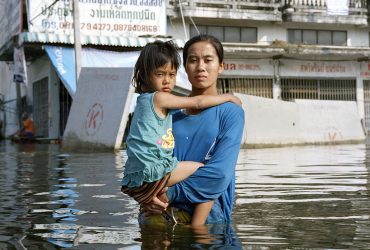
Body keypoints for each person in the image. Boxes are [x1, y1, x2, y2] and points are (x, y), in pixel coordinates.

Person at [121, 40, 242, 227]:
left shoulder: (230, 112)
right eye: (193, 60)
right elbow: (152, 164)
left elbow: (219, 175)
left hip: (209, 218)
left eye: (208, 60)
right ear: (185, 67)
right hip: (159, 211)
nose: (201, 67)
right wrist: (148, 199)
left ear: (221, 66)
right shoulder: (169, 115)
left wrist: (166, 193)